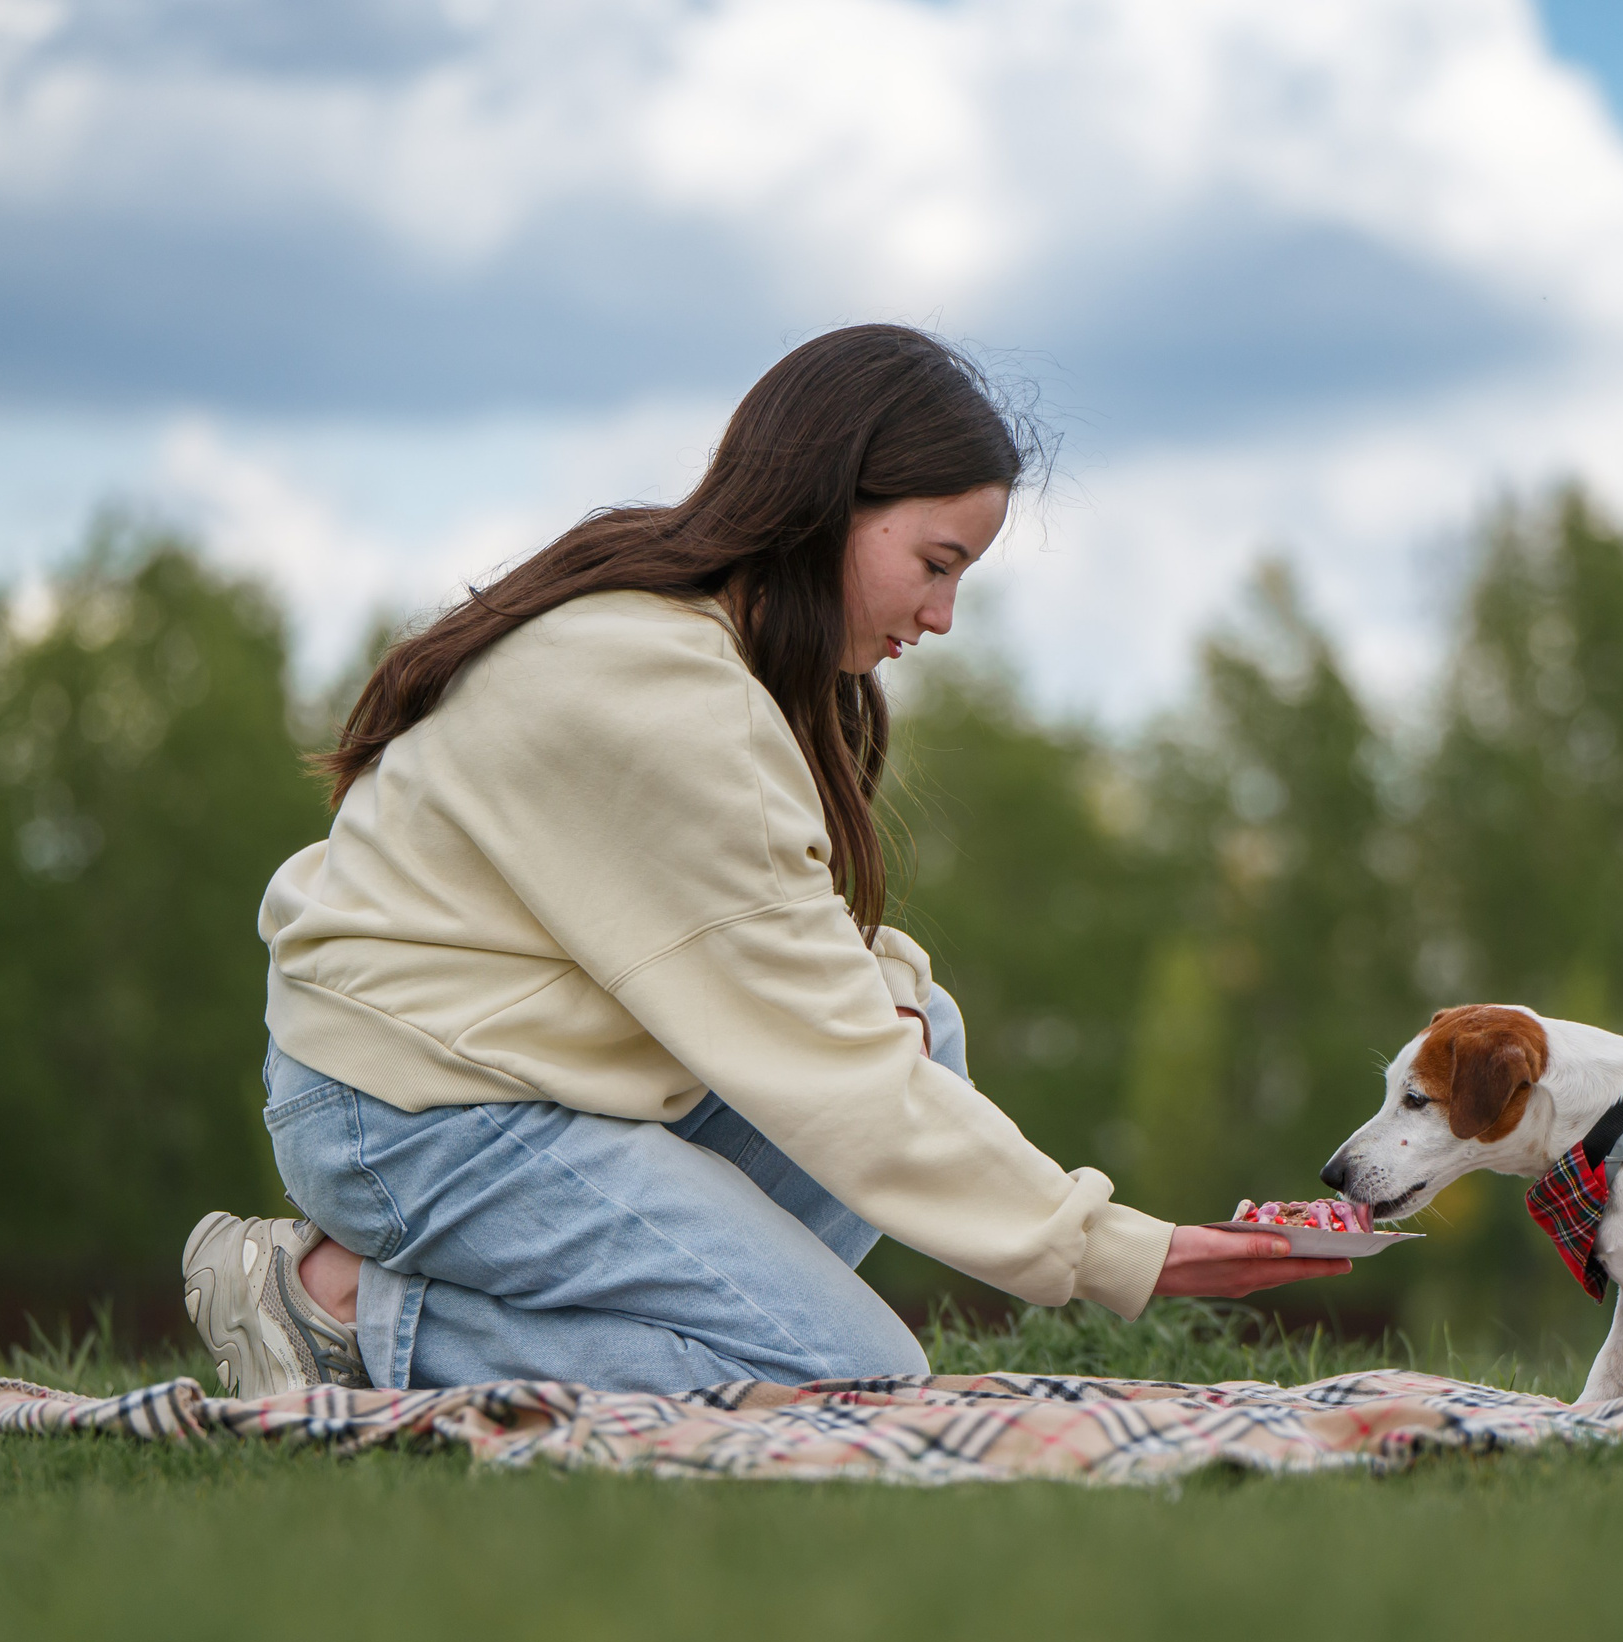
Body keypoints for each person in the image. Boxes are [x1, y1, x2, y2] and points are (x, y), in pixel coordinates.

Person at [179, 324, 1348, 1399]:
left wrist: (890, 1006)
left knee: (916, 1023)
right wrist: (1119, 1252)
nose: (942, 617)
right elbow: (825, 1060)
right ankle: (336, 1310)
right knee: (847, 1376)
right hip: (409, 1111)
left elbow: (800, 981)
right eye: (936, 563)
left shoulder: (707, 654)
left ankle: (604, 1325)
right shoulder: (663, 693)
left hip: (517, 1074)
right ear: (833, 503)